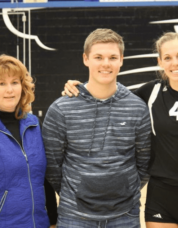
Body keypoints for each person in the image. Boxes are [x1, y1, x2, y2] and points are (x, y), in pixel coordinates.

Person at [64, 32, 178, 228]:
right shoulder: (150, 92)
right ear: (160, 61)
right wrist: (79, 88)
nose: (175, 63)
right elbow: (111, 97)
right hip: (160, 195)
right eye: (168, 58)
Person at [42, 28, 151, 228]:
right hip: (74, 216)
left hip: (124, 216)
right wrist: (76, 193)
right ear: (86, 59)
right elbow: (52, 166)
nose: (106, 64)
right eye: (98, 57)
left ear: (121, 60)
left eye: (112, 57)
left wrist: (125, 189)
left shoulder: (137, 107)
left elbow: (143, 163)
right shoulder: (61, 109)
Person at [0, 55, 57, 228]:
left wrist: (53, 220)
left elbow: (45, 179)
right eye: (2, 84)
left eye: (14, 82)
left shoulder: (34, 125)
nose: (10, 90)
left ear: (23, 86)